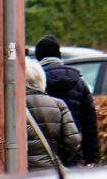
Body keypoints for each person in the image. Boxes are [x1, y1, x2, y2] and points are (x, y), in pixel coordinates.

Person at [34, 34, 100, 164]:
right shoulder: (79, 83)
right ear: (58, 55)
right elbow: (89, 125)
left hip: (45, 153)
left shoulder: (37, 83)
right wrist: (92, 159)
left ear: (38, 56)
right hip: (74, 152)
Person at [24, 55, 80, 170]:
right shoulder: (58, 104)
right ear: (41, 79)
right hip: (50, 170)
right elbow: (73, 139)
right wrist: (58, 158)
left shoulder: (14, 106)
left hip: (21, 172)